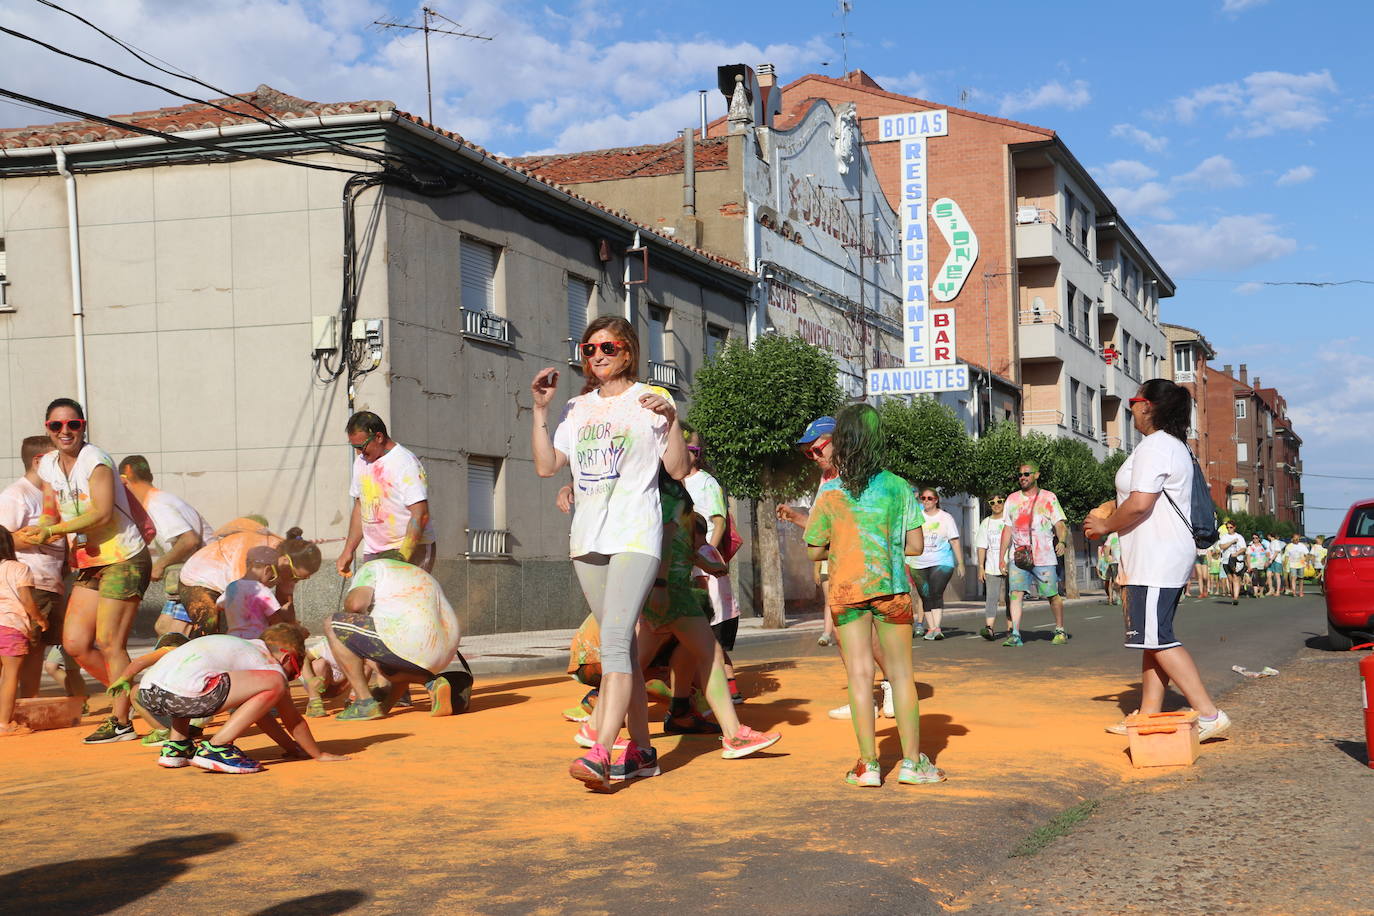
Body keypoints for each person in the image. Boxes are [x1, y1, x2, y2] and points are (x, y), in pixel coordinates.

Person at [531, 315, 690, 790]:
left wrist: (673, 422)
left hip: (635, 535)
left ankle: (602, 750)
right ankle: (642, 750)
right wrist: (540, 411)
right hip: (588, 539)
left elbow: (678, 469)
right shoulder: (576, 409)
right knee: (617, 647)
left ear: (628, 351)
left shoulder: (652, 400)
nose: (597, 356)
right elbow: (546, 466)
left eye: (608, 347)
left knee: (617, 640)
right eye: (589, 349)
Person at [804, 403, 944, 788]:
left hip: (847, 589)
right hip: (891, 588)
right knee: (901, 675)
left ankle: (868, 765)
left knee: (859, 674)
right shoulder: (898, 487)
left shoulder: (830, 492)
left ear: (842, 442)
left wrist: (843, 542)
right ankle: (913, 764)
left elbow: (814, 548)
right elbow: (915, 546)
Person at [1085, 379, 1231, 743]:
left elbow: (1139, 504)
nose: (1130, 407)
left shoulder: (1156, 446)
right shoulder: (1169, 446)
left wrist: (1104, 526)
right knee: (1153, 637)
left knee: (1159, 637)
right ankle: (1149, 713)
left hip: (1156, 555)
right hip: (1160, 554)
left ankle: (1210, 714)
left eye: (1134, 401)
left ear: (1148, 406)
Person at [16, 398, 153, 744]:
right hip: (91, 562)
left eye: (72, 425)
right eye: (56, 426)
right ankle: (142, 700)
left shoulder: (97, 461)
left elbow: (103, 513)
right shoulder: (48, 464)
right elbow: (51, 511)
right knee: (74, 643)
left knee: (110, 642)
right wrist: (43, 527)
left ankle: (122, 720)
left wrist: (53, 532)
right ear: (48, 429)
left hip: (124, 557)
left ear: (83, 426)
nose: (65, 432)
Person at [632, 477, 779, 777]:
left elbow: (697, 555)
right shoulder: (667, 498)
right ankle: (734, 733)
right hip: (671, 594)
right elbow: (667, 545)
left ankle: (598, 728)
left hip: (663, 594)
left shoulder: (656, 495)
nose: (693, 456)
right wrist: (660, 584)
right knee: (706, 654)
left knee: (635, 663)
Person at [109, 622, 347, 773]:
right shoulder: (270, 666)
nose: (291, 676)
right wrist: (318, 754)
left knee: (194, 679)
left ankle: (177, 746)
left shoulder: (240, 647)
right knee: (275, 683)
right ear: (286, 657)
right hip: (185, 694)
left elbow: (262, 716)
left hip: (149, 694)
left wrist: (291, 748)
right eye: (295, 667)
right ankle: (217, 747)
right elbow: (292, 719)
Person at [778, 417, 895, 720]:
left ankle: (892, 684)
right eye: (809, 454)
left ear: (836, 441)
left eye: (817, 450)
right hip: (836, 562)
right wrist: (796, 518)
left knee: (867, 633)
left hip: (864, 564)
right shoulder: (826, 481)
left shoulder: (862, 476)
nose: (814, 457)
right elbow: (823, 528)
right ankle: (864, 698)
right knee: (844, 635)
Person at [326, 558, 469, 720]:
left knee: (333, 624)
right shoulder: (417, 574)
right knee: (388, 653)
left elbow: (355, 605)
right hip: (445, 649)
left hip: (410, 638)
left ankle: (364, 703)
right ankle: (432, 683)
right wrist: (385, 707)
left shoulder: (372, 566)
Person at [1, 436, 84, 702]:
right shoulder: (16, 495)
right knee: (21, 649)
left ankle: (29, 702)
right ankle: (18, 707)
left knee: (38, 650)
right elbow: (4, 540)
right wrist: (45, 535)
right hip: (29, 584)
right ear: (39, 462)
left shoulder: (49, 494)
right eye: (55, 459)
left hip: (51, 583)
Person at [679, 424, 743, 703]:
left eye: (693, 450)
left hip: (703, 569)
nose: (687, 455)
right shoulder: (670, 482)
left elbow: (719, 521)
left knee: (709, 635)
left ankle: (727, 690)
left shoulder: (706, 483)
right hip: (681, 567)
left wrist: (707, 556)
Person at [118, 455, 215, 637]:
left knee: (176, 635)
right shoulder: (158, 501)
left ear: (124, 480)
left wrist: (160, 565)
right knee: (163, 628)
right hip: (190, 579)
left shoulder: (157, 504)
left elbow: (189, 540)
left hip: (202, 579)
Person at [337, 412, 435, 575]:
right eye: (354, 448)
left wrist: (402, 557)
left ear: (379, 437)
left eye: (362, 447)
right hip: (374, 551)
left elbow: (421, 514)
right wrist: (348, 550)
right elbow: (361, 507)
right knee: (369, 600)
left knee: (402, 600)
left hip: (409, 550)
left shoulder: (405, 463)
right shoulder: (361, 462)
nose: (359, 453)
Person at [178, 524, 320, 636]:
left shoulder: (287, 564)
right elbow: (242, 595)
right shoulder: (254, 554)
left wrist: (293, 628)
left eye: (301, 579)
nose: (295, 581)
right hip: (199, 579)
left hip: (228, 590)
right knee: (208, 625)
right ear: (284, 561)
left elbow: (285, 603)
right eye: (295, 576)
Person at [998, 462, 1069, 647]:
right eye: (1020, 475)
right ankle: (1015, 633)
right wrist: (1001, 558)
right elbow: (1007, 530)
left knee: (1052, 594)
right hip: (1019, 556)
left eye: (1026, 474)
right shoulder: (1012, 499)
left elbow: (1060, 524)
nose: (1023, 477)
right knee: (1015, 593)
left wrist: (1061, 541)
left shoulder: (1048, 497)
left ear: (1036, 475)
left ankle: (1060, 629)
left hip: (1044, 556)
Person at [0, 526, 48, 737]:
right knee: (10, 676)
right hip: (11, 625)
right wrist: (39, 618)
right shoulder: (18, 568)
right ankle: (4, 723)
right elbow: (27, 601)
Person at [908, 488, 964, 641]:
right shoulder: (915, 517)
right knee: (925, 595)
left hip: (941, 561)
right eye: (923, 498)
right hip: (918, 562)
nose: (926, 501)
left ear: (936, 500)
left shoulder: (946, 518)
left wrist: (961, 563)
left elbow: (954, 540)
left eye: (930, 498)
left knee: (936, 592)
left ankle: (937, 628)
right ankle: (931, 628)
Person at [217, 545, 295, 639]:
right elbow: (275, 621)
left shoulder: (232, 587)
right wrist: (285, 615)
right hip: (256, 640)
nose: (271, 580)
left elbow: (219, 605)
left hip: (234, 638)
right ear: (267, 570)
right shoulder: (263, 591)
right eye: (272, 576)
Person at [973, 495, 1010, 639]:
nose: (996, 504)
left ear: (1004, 502)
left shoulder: (1010, 520)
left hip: (1010, 565)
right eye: (992, 502)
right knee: (991, 598)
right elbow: (981, 546)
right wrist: (980, 567)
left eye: (999, 501)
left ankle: (1011, 628)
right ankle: (989, 628)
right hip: (991, 566)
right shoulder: (986, 523)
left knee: (1010, 598)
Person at [1215, 521, 1246, 605]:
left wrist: (1236, 553)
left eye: (1231, 527)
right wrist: (1232, 542)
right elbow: (1222, 546)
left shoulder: (1239, 537)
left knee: (1236, 578)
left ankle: (1235, 598)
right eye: (1227, 527)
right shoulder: (1224, 537)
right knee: (1230, 580)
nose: (1229, 529)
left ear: (1234, 527)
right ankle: (1233, 595)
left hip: (1237, 560)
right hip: (1226, 561)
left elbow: (1243, 548)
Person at [1097, 531, 1122, 606]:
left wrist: (1106, 558)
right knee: (1116, 580)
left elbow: (1106, 547)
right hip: (1118, 561)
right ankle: (1117, 597)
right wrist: (1107, 558)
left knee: (1114, 580)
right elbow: (1106, 547)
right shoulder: (1119, 534)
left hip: (1116, 561)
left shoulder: (1113, 535)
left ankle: (1117, 597)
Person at [1283, 534, 1309, 598]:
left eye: (1297, 538)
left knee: (1301, 578)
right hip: (1292, 564)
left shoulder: (1302, 546)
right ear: (1292, 539)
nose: (1296, 540)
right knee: (1293, 578)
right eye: (1295, 538)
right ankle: (1294, 591)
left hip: (1301, 564)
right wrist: (1285, 565)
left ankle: (1300, 592)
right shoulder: (1289, 546)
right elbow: (1286, 556)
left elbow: (1307, 555)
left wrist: (1307, 563)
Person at [1245, 534, 1269, 599]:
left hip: (1262, 565)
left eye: (1256, 538)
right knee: (1255, 579)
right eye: (1253, 538)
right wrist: (1249, 566)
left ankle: (1261, 593)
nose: (1254, 539)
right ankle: (1255, 593)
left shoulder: (1263, 546)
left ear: (1259, 539)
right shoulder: (1250, 547)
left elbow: (1267, 555)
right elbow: (1248, 557)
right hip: (1254, 565)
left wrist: (1267, 562)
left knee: (1262, 579)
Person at [1265, 532, 1285, 597]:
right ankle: (1271, 589)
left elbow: (1276, 552)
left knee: (1277, 576)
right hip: (1271, 560)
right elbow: (1269, 553)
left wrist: (1271, 559)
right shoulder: (1270, 543)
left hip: (1277, 561)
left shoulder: (1276, 542)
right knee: (1268, 575)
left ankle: (1278, 591)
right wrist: (1268, 560)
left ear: (1269, 536)